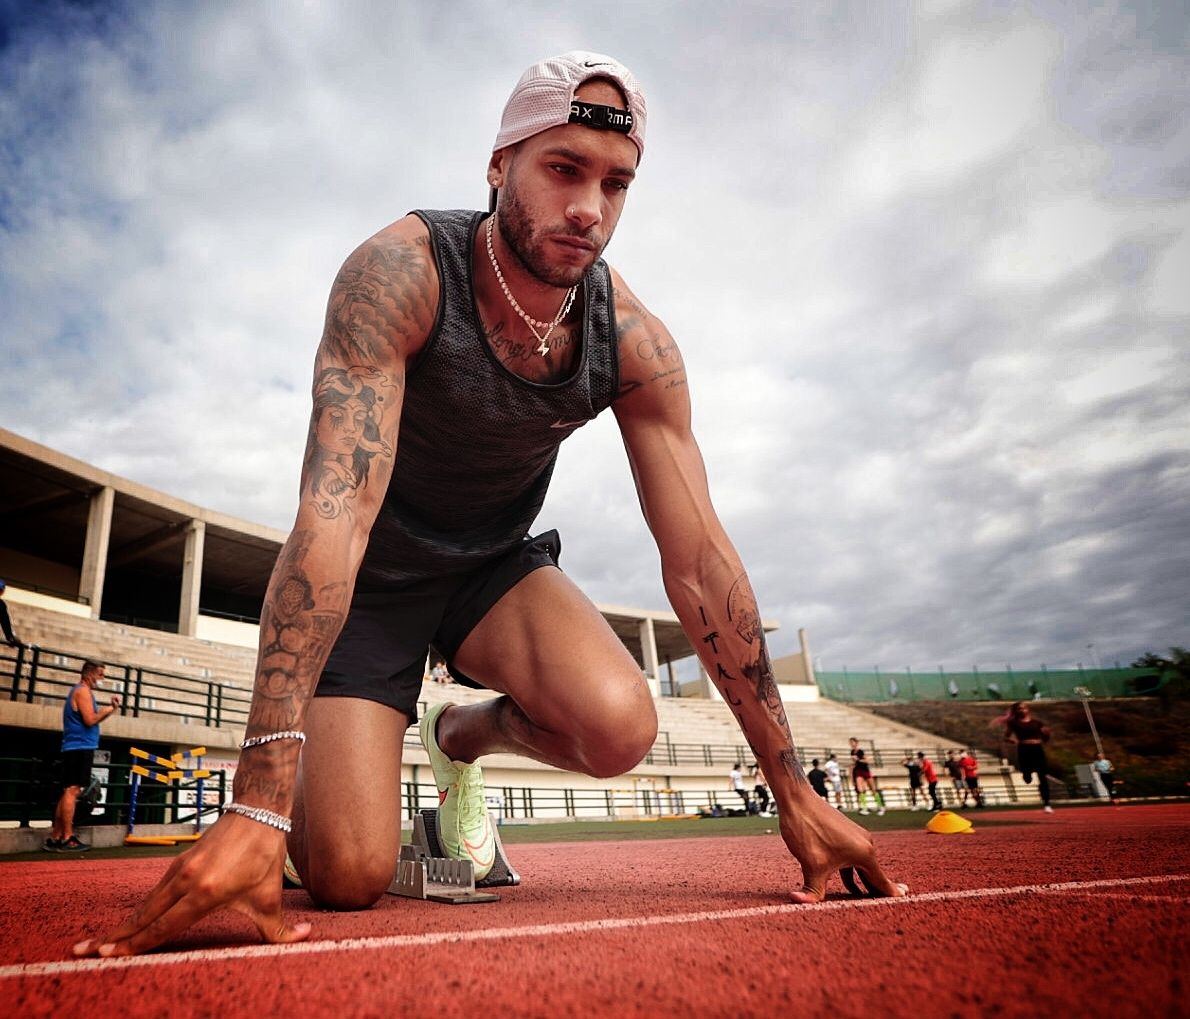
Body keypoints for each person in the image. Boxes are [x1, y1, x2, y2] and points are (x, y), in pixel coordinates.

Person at [74, 51, 902, 957]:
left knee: (624, 726)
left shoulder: (633, 342)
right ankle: (331, 773)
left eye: (616, 183)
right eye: (563, 169)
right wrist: (256, 800)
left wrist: (794, 793)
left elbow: (700, 562)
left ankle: (460, 732)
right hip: (374, 578)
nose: (590, 207)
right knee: (349, 878)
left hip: (490, 569)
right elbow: (336, 511)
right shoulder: (399, 274)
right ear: (499, 163)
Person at [46, 660, 120, 852]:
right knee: (73, 790)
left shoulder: (81, 691)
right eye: (101, 674)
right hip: (79, 747)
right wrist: (108, 710)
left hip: (76, 746)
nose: (102, 679)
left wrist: (107, 710)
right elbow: (90, 719)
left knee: (68, 791)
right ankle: (67, 838)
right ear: (90, 674)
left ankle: (55, 837)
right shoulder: (82, 691)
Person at [1000, 701, 1053, 813]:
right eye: (1020, 708)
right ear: (1016, 711)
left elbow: (1045, 737)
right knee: (1027, 777)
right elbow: (1006, 736)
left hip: (1037, 749)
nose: (1022, 710)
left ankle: (1047, 803)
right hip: (1024, 749)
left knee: (1042, 776)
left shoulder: (1037, 723)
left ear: (1028, 709)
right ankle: (1026, 774)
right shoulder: (1013, 723)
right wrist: (1011, 740)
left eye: (1024, 708)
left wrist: (1047, 735)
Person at [851, 746, 885, 816]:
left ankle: (880, 806)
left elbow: (867, 761)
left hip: (866, 771)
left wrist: (858, 760)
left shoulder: (862, 754)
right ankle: (864, 808)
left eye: (853, 743)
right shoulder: (852, 754)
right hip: (858, 772)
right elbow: (853, 764)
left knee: (873, 790)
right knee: (860, 790)